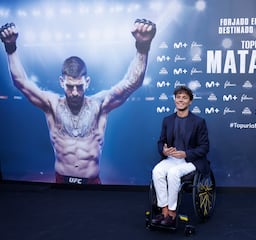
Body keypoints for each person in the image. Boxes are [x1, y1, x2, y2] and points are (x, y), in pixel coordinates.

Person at [0, 19, 156, 184]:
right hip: (61, 180)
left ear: (87, 82)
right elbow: (21, 82)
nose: (75, 92)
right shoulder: (52, 105)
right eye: (69, 86)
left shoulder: (99, 105)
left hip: (91, 181)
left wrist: (143, 46)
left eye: (79, 87)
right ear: (61, 82)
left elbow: (132, 82)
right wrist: (10, 48)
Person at [151, 86, 210, 227]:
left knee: (173, 173)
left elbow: (204, 148)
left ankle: (172, 213)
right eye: (178, 97)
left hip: (190, 160)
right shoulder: (167, 120)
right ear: (174, 100)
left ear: (190, 101)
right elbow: (161, 141)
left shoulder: (198, 122)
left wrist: (186, 153)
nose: (180, 100)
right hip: (172, 158)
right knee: (157, 171)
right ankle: (164, 211)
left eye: (184, 97)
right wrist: (164, 151)